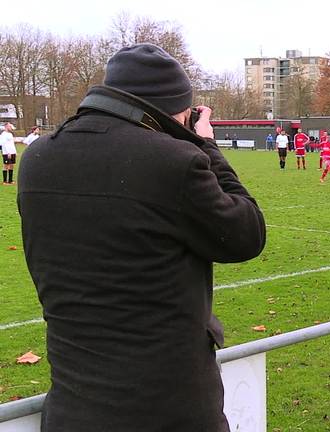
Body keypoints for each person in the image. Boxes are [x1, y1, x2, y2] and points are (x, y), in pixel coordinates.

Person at [17, 43, 266, 432]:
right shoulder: (173, 161)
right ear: (174, 109)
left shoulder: (37, 159)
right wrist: (205, 144)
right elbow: (246, 234)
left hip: (74, 405)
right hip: (169, 408)